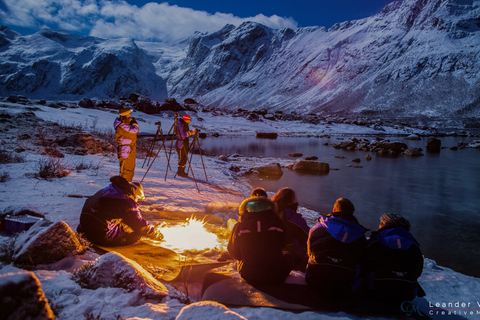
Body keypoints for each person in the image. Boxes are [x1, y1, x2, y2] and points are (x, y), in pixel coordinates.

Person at [305, 198, 367, 301]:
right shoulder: (360, 237)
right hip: (345, 287)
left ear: (334, 210)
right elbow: (362, 261)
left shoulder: (318, 228)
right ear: (352, 213)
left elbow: (309, 251)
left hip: (315, 281)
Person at [360, 213, 424, 308]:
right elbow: (418, 271)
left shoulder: (376, 242)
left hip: (376, 290)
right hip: (407, 294)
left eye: (380, 223)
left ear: (384, 225)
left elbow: (363, 265)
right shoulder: (414, 246)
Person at [77, 176, 162, 246]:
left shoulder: (107, 191)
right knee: (135, 235)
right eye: (137, 198)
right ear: (135, 194)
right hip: (100, 236)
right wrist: (155, 233)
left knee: (124, 224)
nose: (136, 200)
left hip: (83, 229)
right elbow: (139, 225)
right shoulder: (126, 201)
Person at [227, 196, 294, 285]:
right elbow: (286, 242)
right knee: (288, 256)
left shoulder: (239, 226)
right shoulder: (279, 224)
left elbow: (234, 253)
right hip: (276, 274)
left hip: (249, 274)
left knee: (243, 261)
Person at [271, 187, 310, 272]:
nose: (296, 201)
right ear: (289, 202)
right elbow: (309, 237)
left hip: (270, 254)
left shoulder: (269, 214)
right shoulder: (295, 219)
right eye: (294, 199)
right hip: (293, 258)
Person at [114, 108, 139, 182]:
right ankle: (124, 184)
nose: (130, 114)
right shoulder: (122, 126)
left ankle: (126, 183)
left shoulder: (122, 124)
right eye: (129, 113)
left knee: (129, 166)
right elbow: (134, 131)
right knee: (126, 167)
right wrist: (134, 123)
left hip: (127, 147)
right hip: (126, 148)